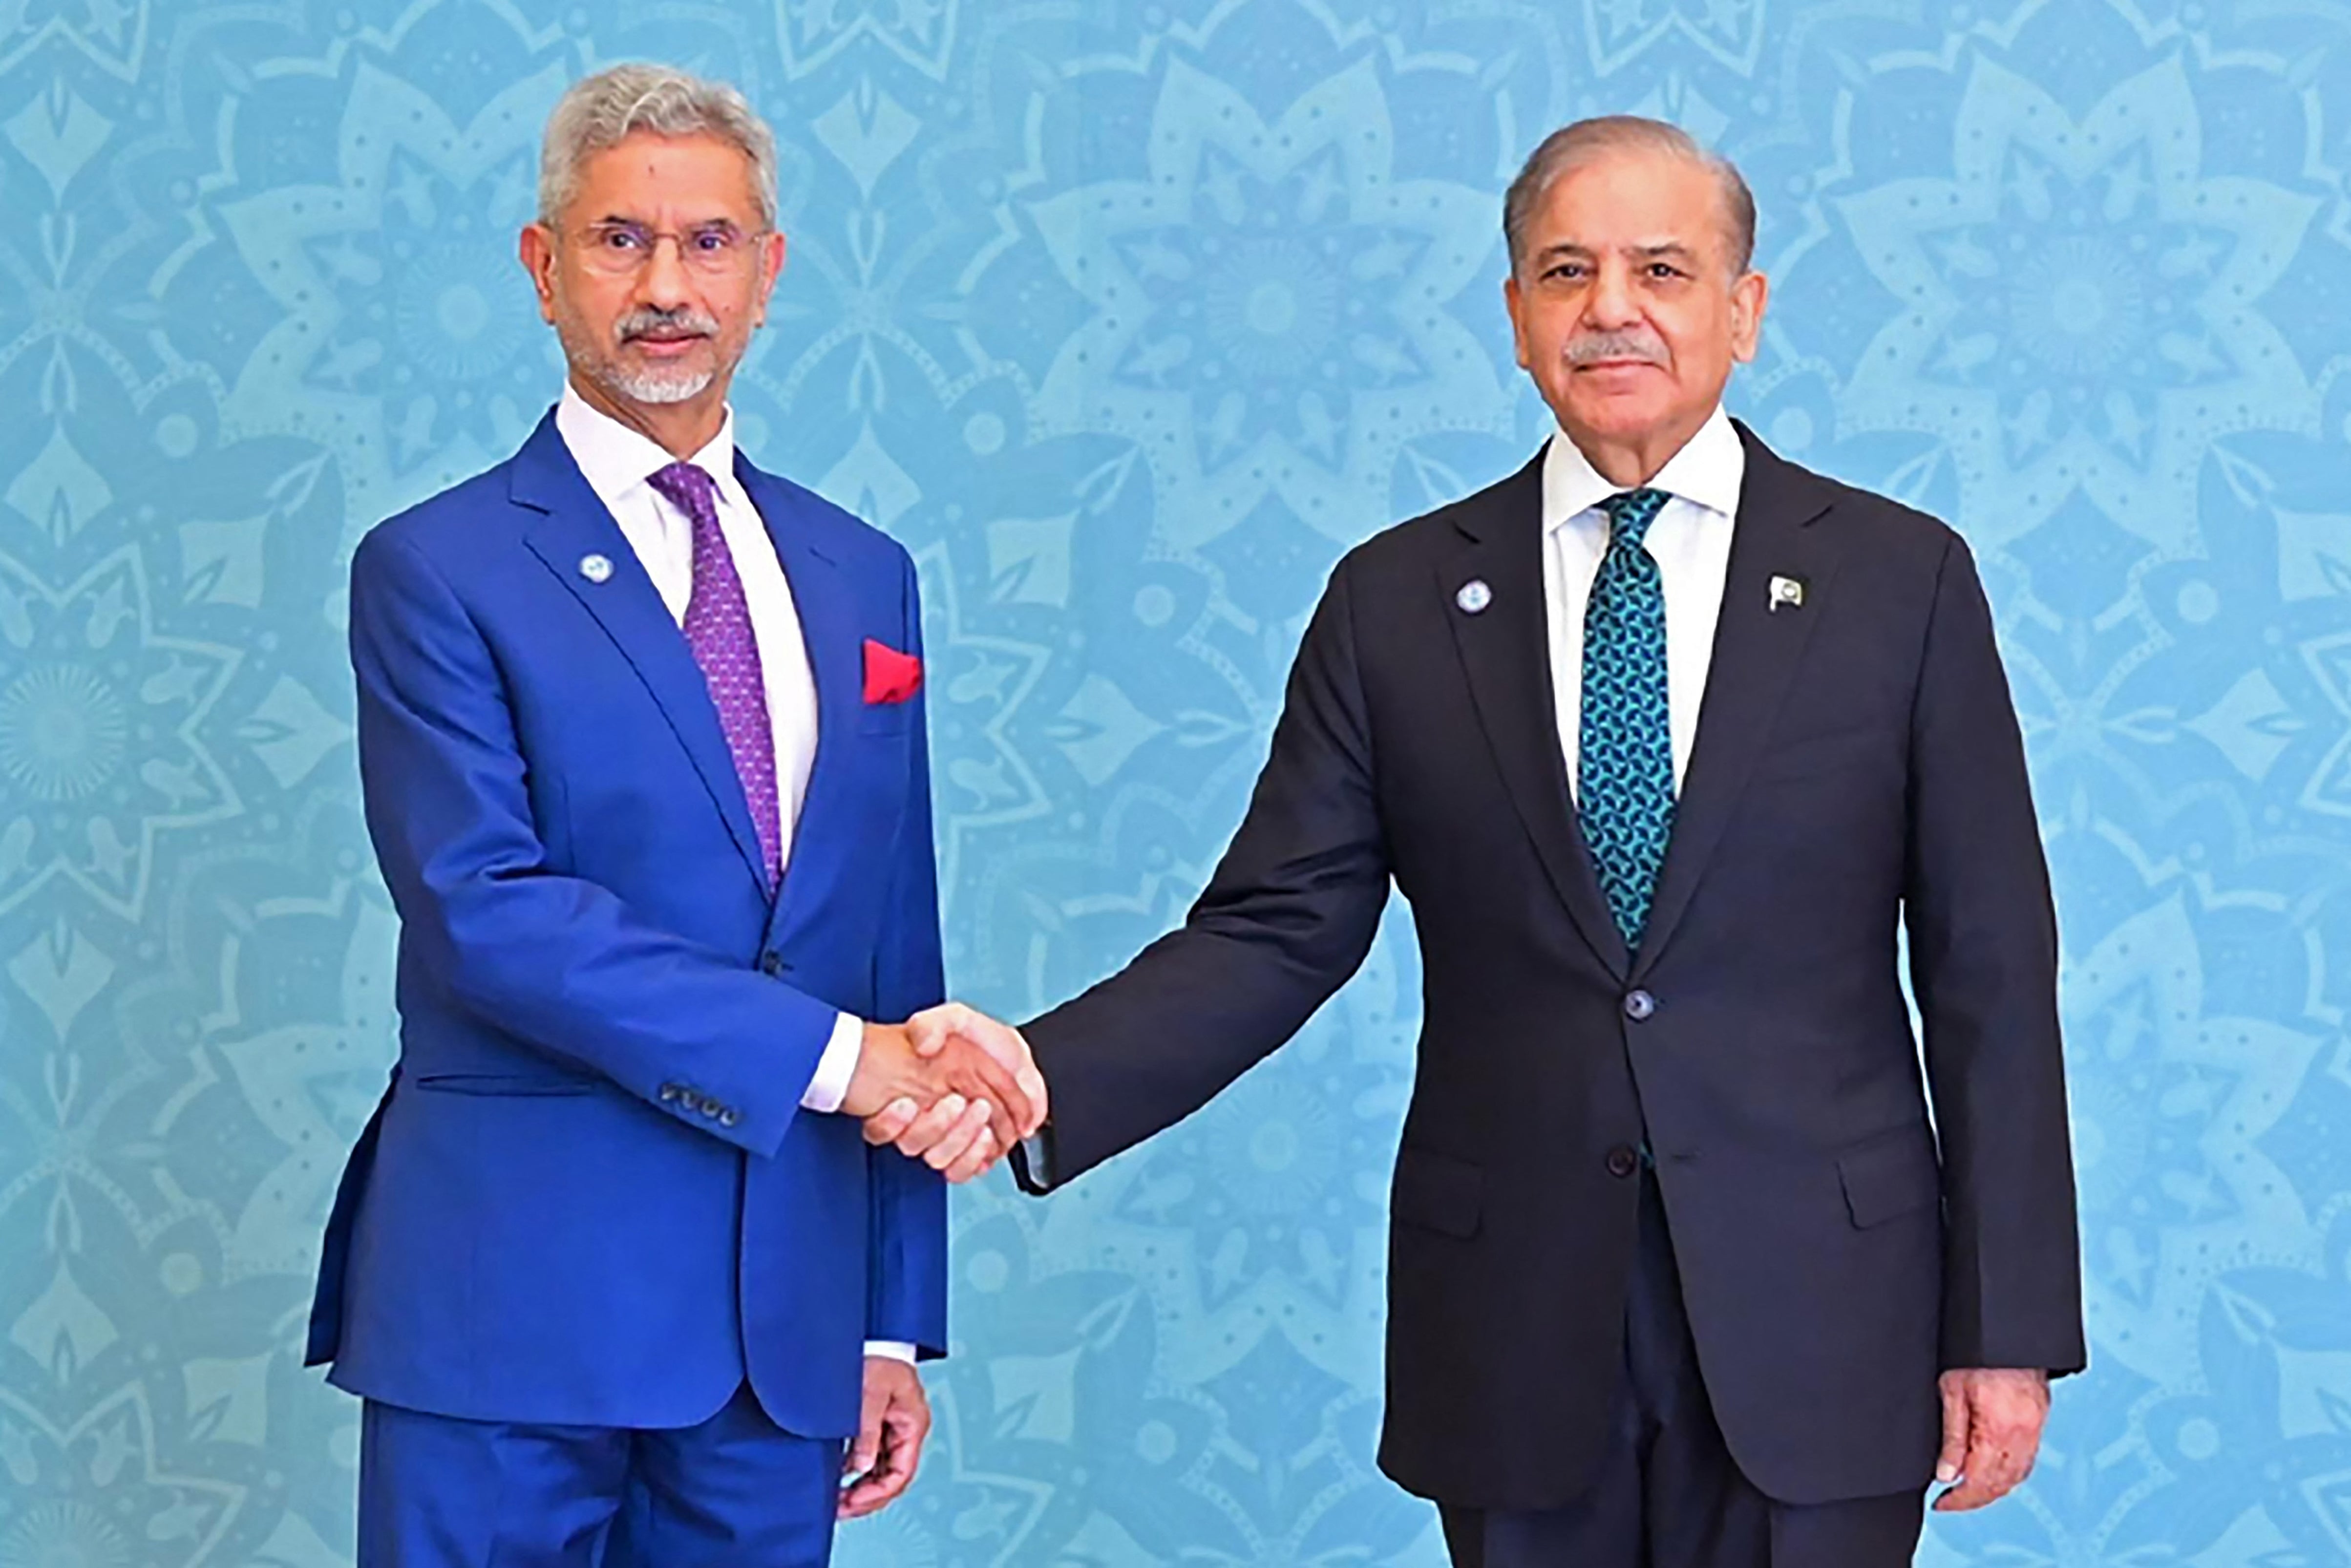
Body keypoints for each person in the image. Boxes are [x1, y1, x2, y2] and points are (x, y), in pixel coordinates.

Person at [888, 116, 2085, 1566]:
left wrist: (2005, 1323)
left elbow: (1991, 973)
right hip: (1519, 1321)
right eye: (1566, 271)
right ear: (1517, 317)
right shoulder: (1394, 604)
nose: (1613, 308)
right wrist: (1040, 1073)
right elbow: (1276, 930)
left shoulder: (1900, 583)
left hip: (1827, 1315)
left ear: (1744, 310)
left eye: (1663, 267)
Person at [305, 63, 1043, 1568]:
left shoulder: (862, 573)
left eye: (709, 243)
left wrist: (892, 1313)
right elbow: (487, 915)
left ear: (768, 276)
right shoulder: (435, 567)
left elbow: (891, 932)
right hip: (512, 1310)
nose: (666, 287)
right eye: (620, 240)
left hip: (785, 1329)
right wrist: (848, 1066)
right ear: (544, 268)